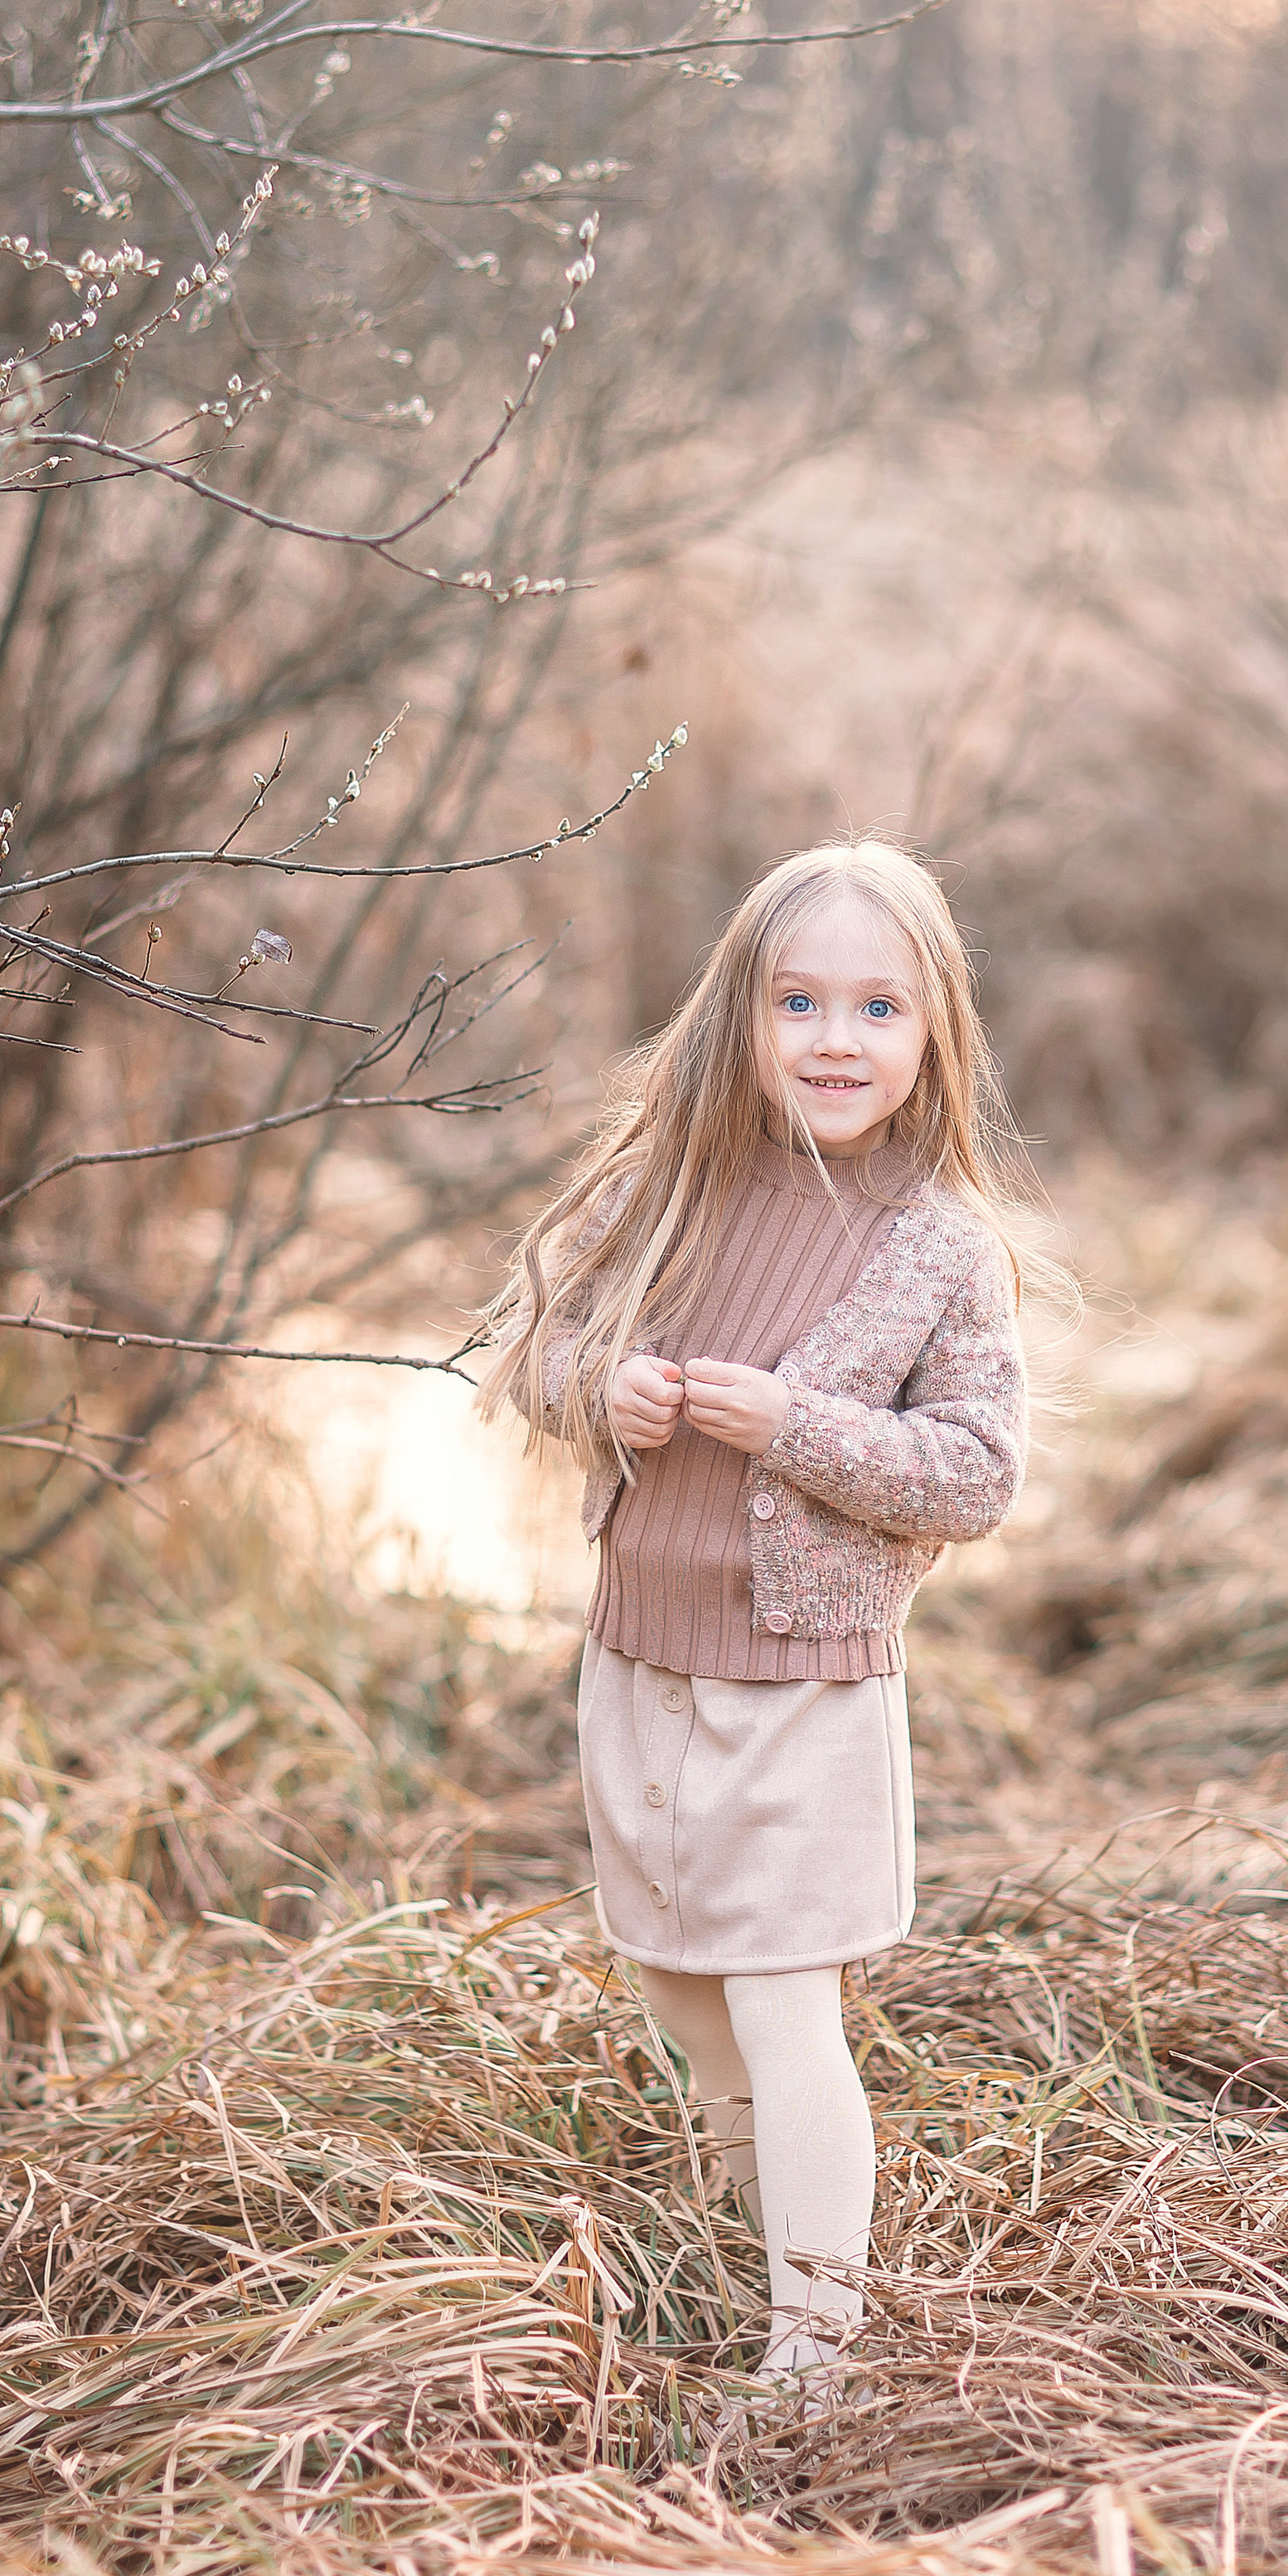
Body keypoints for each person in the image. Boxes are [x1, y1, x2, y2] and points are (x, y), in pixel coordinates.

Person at [479, 839, 1034, 2385]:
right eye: (801, 1000)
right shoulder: (672, 1182)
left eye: (878, 1007)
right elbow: (535, 1348)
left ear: (934, 1037)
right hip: (640, 1659)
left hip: (805, 1684)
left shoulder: (937, 1243)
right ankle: (762, 2242)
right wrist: (610, 1390)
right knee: (677, 1980)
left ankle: (817, 2356)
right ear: (744, 1012)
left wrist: (786, 1424)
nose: (836, 1041)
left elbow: (975, 1474)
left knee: (789, 1999)